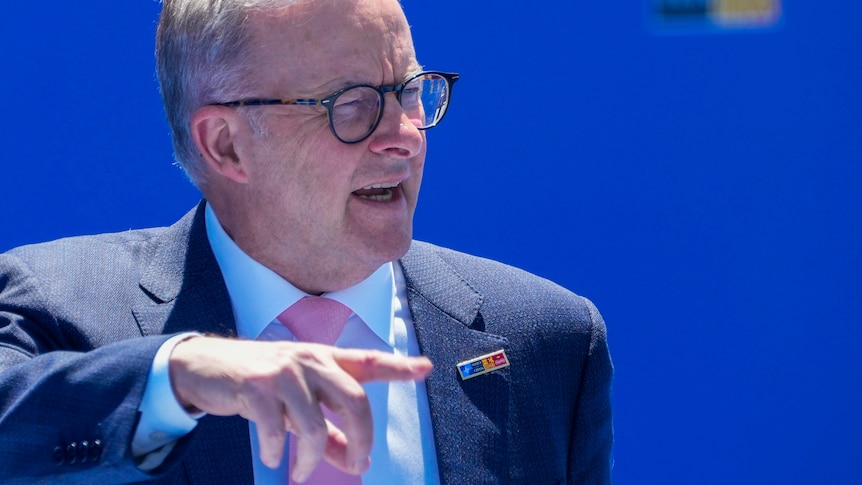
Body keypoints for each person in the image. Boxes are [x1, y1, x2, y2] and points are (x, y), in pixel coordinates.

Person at [0, 0, 613, 483]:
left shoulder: (549, 339)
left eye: (407, 91)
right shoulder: (59, 307)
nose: (404, 137)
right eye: (352, 105)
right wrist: (179, 377)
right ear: (226, 145)